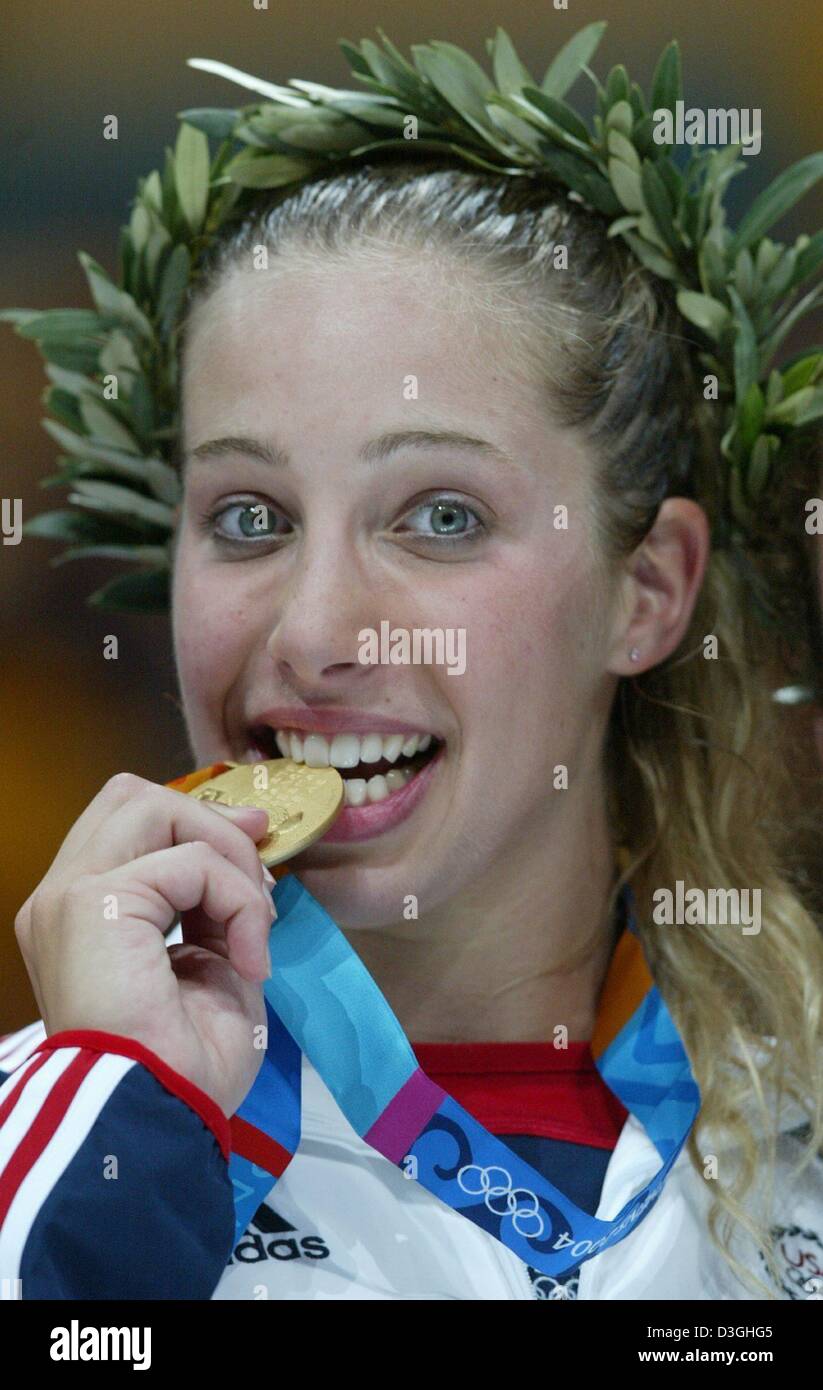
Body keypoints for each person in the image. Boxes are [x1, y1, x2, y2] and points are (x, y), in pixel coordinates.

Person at [1, 23, 822, 1302]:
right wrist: (114, 1152)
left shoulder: (799, 1149)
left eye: (440, 516)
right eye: (249, 518)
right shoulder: (51, 1153)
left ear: (646, 591)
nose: (316, 631)